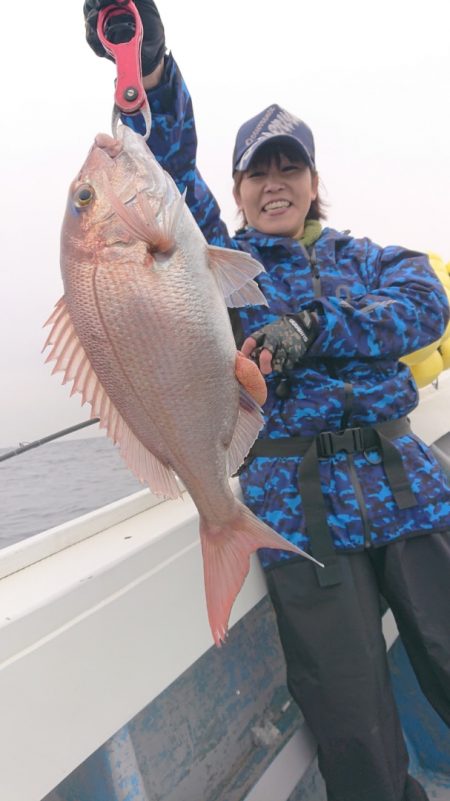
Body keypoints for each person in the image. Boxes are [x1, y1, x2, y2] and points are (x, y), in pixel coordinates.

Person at [84, 3, 450, 800]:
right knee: (353, 726)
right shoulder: (222, 263)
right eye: (258, 171)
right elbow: (162, 171)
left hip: (408, 484)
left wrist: (312, 328)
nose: (275, 182)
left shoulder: (380, 258)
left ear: (315, 184)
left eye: (290, 168)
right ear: (239, 191)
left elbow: (425, 309)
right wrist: (146, 73)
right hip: (297, 505)